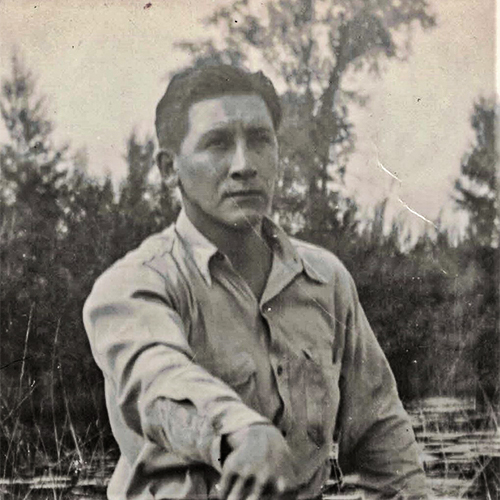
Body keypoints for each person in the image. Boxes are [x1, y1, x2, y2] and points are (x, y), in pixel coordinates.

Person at [83, 65, 428, 500]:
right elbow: (156, 381)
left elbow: (385, 451)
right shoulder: (133, 287)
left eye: (261, 141)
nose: (245, 165)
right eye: (218, 143)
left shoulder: (326, 281)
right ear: (169, 168)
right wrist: (241, 435)